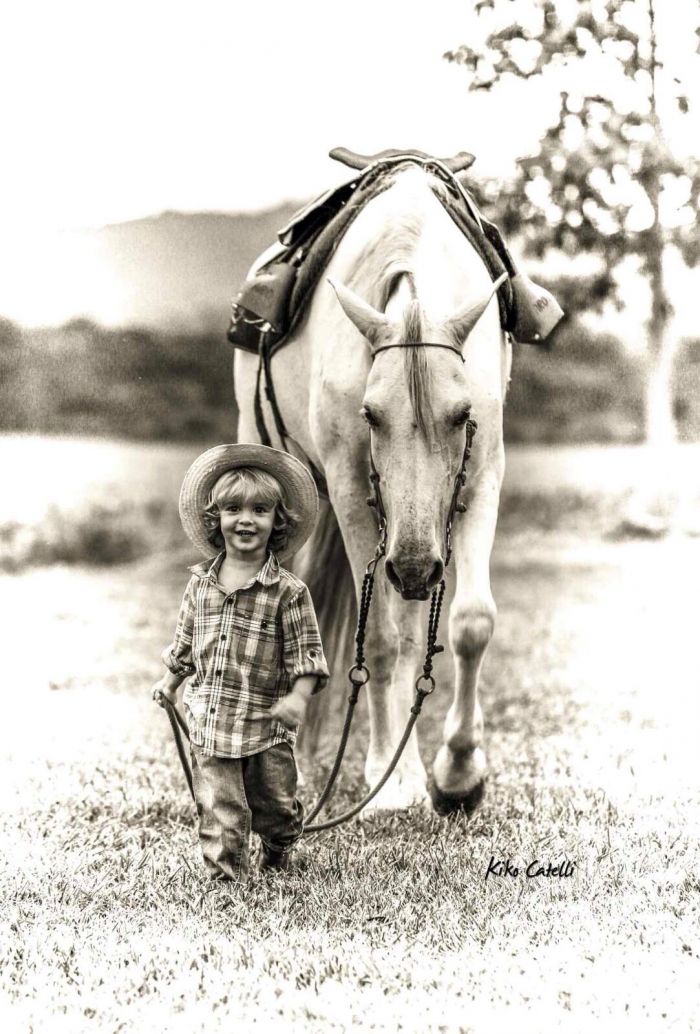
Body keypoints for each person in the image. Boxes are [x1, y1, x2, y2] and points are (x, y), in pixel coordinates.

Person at [152, 443, 329, 882]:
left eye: (260, 510)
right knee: (220, 807)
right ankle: (224, 878)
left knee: (275, 806)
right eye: (233, 508)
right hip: (211, 722)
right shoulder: (200, 587)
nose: (245, 519)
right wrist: (170, 683)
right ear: (216, 519)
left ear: (277, 522)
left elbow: (308, 655)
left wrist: (298, 699)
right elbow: (185, 645)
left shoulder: (289, 592)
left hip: (266, 725)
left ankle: (279, 846)